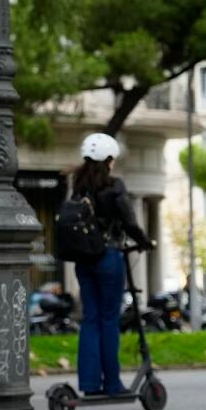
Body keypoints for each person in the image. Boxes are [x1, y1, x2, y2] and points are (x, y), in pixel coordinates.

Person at [70, 133, 153, 396]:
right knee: (109, 319)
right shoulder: (114, 185)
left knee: (90, 319)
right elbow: (129, 221)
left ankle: (89, 384)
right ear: (108, 159)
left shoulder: (78, 186)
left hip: (84, 260)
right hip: (108, 257)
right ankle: (113, 383)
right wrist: (145, 241)